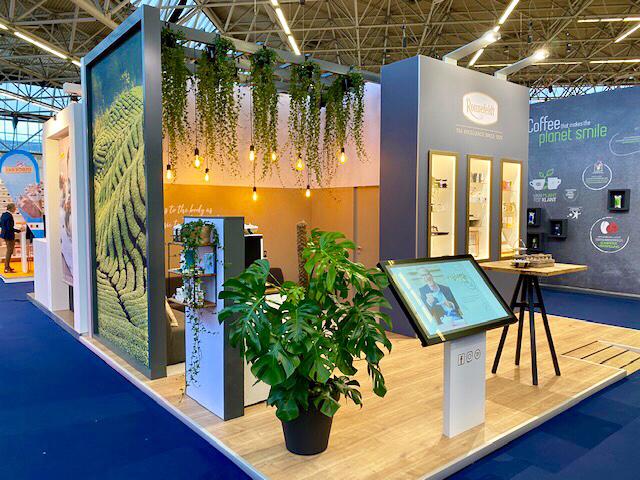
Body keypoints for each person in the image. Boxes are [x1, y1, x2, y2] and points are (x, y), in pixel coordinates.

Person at [0, 203, 22, 273]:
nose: (15, 209)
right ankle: (6, 268)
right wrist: (19, 230)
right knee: (9, 252)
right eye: (14, 208)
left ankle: (7, 267)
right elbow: (9, 228)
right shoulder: (9, 216)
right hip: (9, 236)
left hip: (5, 235)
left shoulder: (3, 214)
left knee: (9, 251)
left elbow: (1, 225)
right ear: (11, 208)